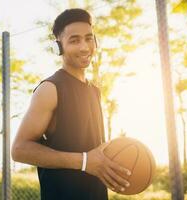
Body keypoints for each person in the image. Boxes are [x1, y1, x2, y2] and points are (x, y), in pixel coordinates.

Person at [12, 8, 131, 200]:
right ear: (59, 47)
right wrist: (84, 161)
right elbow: (19, 150)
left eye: (89, 38)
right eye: (74, 40)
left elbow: (92, 152)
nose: (84, 47)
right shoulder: (50, 89)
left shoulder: (94, 91)